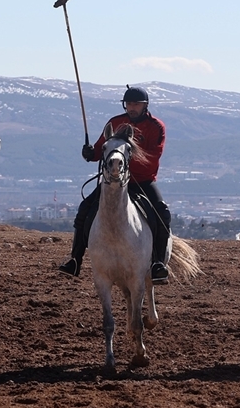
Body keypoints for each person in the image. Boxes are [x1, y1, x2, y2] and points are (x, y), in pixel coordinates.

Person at [58, 87, 172, 283]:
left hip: (143, 182)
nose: (131, 108)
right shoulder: (115, 122)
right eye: (128, 104)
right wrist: (90, 153)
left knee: (162, 213)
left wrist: (122, 161)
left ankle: (158, 264)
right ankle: (75, 260)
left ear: (145, 106)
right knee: (85, 209)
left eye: (136, 104)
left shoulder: (156, 127)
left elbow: (153, 157)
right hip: (113, 182)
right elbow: (100, 150)